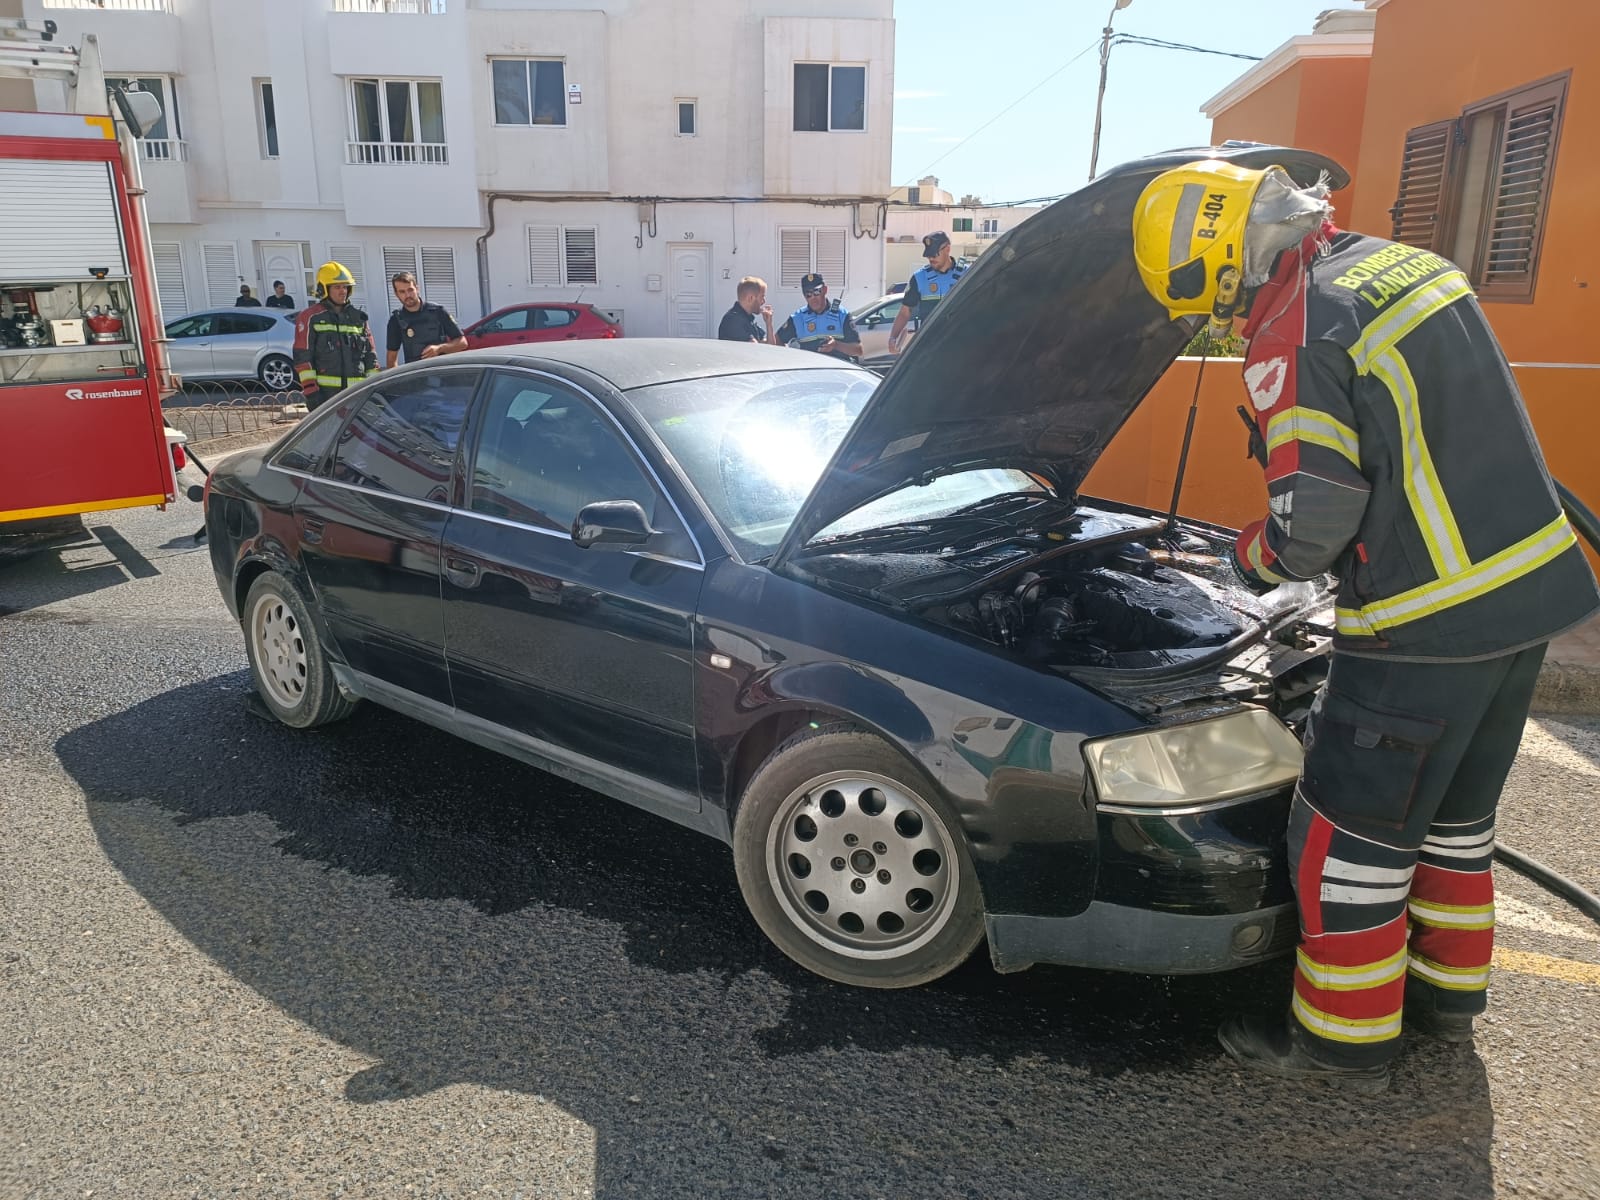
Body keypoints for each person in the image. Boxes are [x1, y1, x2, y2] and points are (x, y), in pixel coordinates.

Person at [1130, 158, 1600, 1092]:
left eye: (1196, 295)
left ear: (1219, 263)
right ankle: (1445, 1002)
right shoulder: (1413, 268)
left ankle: (1342, 1048)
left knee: (1344, 847)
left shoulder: (1295, 333)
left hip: (1425, 625)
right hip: (1529, 596)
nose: (1210, 317)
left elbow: (1313, 526)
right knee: (1455, 828)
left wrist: (1237, 563)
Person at [292, 261, 378, 410]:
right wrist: (312, 392)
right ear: (323, 289)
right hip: (325, 398)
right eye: (337, 287)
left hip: (357, 397)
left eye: (345, 287)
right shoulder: (309, 317)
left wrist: (374, 390)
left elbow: (371, 358)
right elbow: (303, 358)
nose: (342, 291)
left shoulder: (358, 318)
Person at [887, 231, 968, 354]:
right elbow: (905, 312)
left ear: (947, 249)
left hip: (960, 345)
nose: (931, 258)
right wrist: (893, 338)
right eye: (928, 255)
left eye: (934, 254)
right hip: (929, 348)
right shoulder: (920, 278)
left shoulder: (967, 274)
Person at [385, 272, 467, 368]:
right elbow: (391, 358)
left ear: (417, 288)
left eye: (410, 290)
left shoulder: (438, 311)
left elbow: (462, 343)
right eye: (402, 292)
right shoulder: (396, 320)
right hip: (416, 375)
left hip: (443, 373)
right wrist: (397, 382)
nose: (407, 295)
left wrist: (439, 349)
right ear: (396, 294)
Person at [775, 273, 861, 363]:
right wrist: (791, 357)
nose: (813, 298)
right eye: (808, 294)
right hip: (810, 373)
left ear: (825, 290)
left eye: (816, 292)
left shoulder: (842, 315)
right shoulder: (798, 318)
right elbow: (777, 340)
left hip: (836, 372)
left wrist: (836, 345)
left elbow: (859, 349)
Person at [717, 276, 776, 344]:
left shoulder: (748, 320)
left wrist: (769, 324)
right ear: (750, 298)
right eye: (762, 297)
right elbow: (755, 348)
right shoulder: (733, 320)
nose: (763, 301)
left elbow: (771, 347)